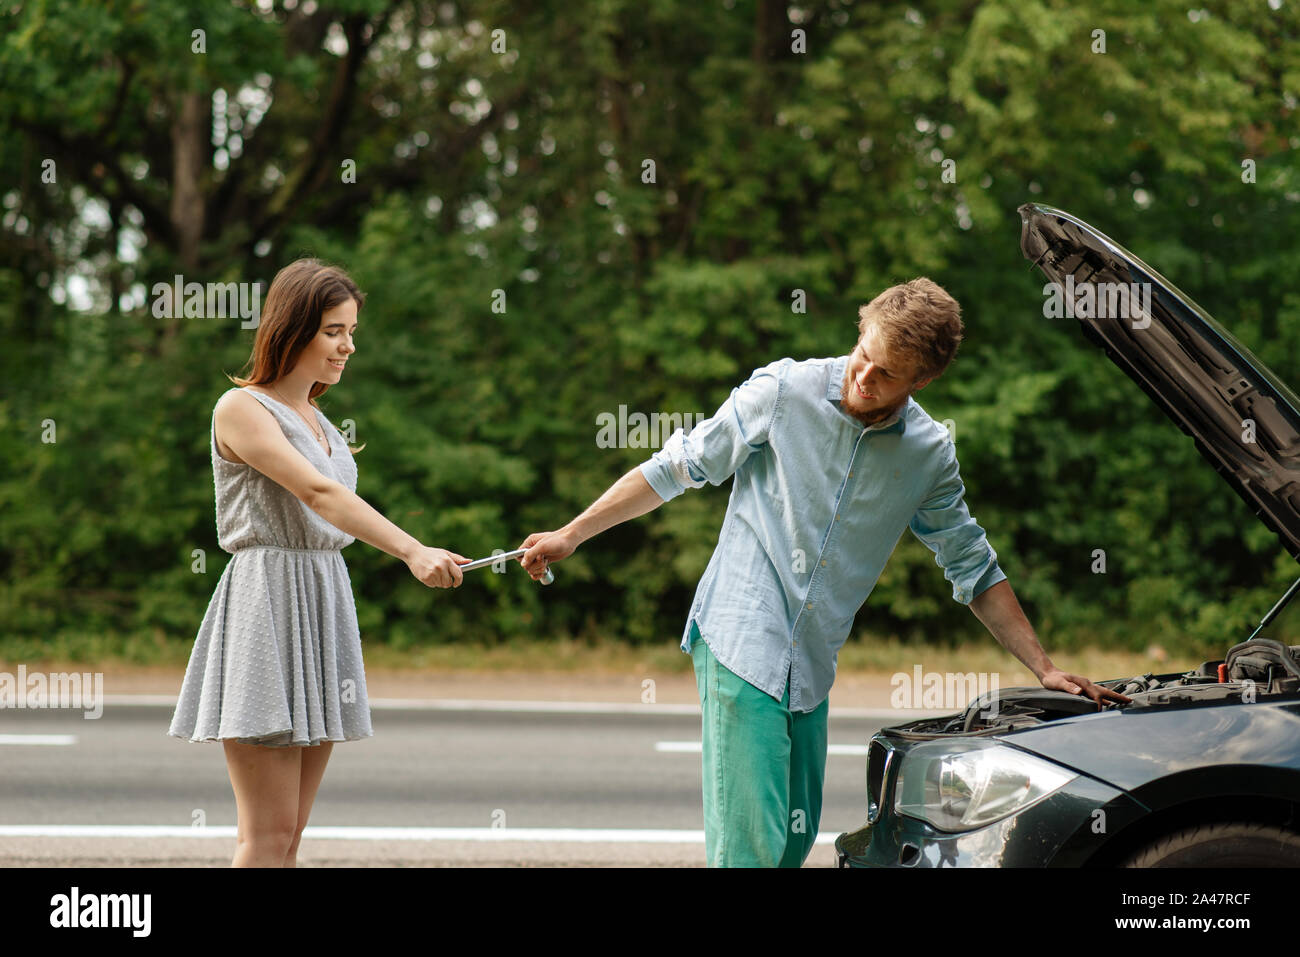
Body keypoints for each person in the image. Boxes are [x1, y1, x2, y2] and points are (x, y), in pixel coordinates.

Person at [516, 277, 1130, 867]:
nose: (862, 377)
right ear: (859, 330)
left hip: (810, 661)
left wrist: (1043, 667)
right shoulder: (783, 392)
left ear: (923, 378)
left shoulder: (928, 455)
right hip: (740, 634)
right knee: (751, 847)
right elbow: (676, 468)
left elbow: (972, 563)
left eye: (886, 373)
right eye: (863, 354)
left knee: (792, 840)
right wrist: (573, 533)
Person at [167, 259, 468, 867]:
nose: (348, 346)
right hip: (266, 603)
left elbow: (331, 507)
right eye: (334, 330)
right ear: (293, 326)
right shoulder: (241, 408)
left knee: (291, 838)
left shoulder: (323, 422)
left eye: (351, 331)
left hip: (323, 598)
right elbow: (321, 496)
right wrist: (411, 549)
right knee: (267, 836)